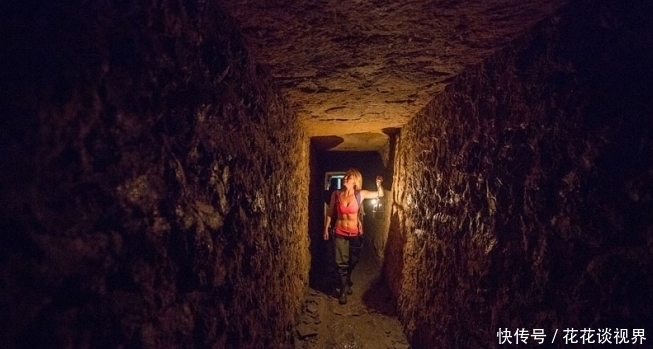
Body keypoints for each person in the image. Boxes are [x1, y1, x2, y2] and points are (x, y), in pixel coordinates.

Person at [323, 168, 384, 304]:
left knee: (353, 261)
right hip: (339, 232)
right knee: (341, 263)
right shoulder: (336, 194)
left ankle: (346, 280)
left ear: (355, 181)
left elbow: (379, 195)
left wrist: (379, 184)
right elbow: (330, 211)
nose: (345, 178)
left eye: (348, 177)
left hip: (355, 233)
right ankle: (343, 291)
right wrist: (326, 227)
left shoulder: (360, 194)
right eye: (345, 176)